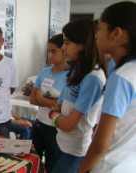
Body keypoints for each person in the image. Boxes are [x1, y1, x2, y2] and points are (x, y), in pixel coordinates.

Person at [77, 2, 136, 173]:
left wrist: (82, 170)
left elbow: (100, 145)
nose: (96, 36)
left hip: (109, 166)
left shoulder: (121, 78)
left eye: (100, 29)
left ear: (116, 33)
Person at [48, 17, 107, 173]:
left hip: (75, 150)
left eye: (67, 43)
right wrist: (57, 114)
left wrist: (54, 115)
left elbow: (69, 125)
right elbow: (59, 103)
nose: (63, 48)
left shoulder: (93, 78)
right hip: (61, 142)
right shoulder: (76, 69)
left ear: (84, 44)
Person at [29, 34, 69, 173]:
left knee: (51, 166)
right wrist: (52, 102)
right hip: (39, 125)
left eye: (54, 51)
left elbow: (64, 106)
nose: (50, 55)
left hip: (55, 129)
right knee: (32, 161)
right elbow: (32, 99)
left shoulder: (70, 75)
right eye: (48, 51)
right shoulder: (44, 72)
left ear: (64, 51)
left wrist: (43, 99)